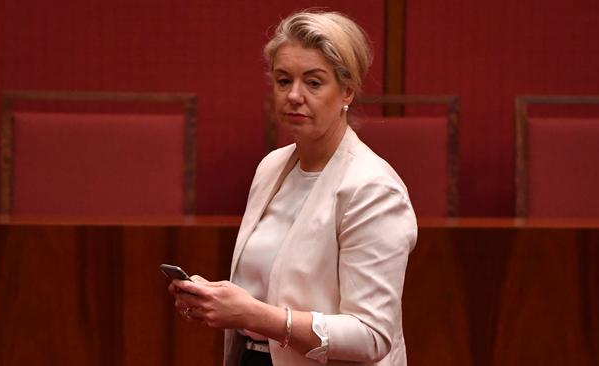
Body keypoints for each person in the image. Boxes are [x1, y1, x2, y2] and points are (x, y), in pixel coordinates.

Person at [168, 10, 417, 366]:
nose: (294, 95)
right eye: (284, 81)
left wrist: (252, 315)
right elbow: (271, 287)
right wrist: (215, 299)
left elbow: (371, 336)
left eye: (314, 83)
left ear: (347, 90)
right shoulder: (272, 166)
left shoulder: (373, 189)